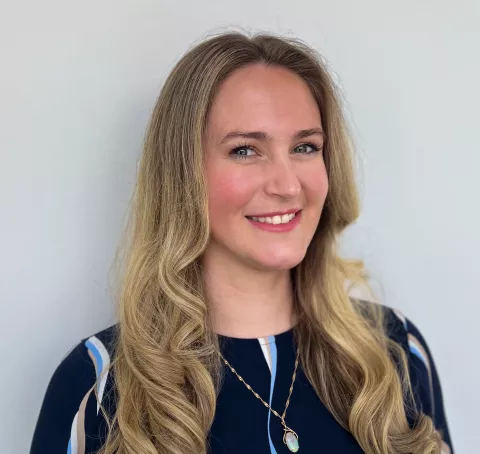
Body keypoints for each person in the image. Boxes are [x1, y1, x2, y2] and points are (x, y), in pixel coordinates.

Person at [30, 31, 454, 454]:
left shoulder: (395, 352)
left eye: (305, 147)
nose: (288, 185)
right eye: (245, 151)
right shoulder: (97, 383)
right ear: (184, 174)